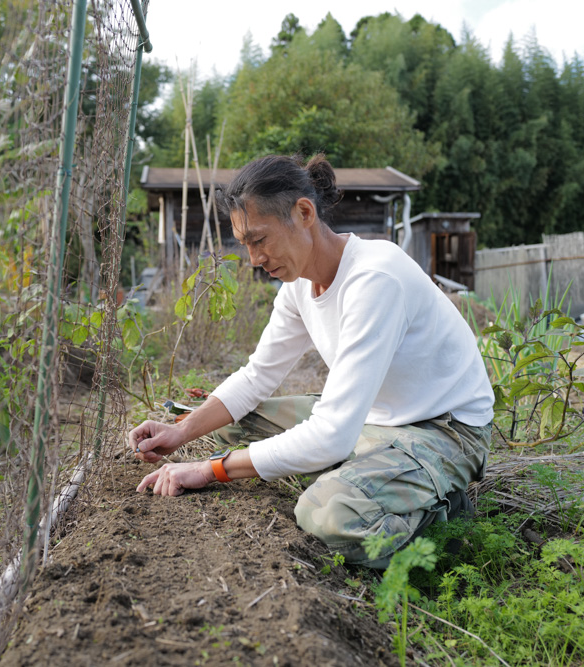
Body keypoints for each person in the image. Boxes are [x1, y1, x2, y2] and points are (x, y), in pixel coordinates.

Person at [128, 154, 494, 568]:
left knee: (324, 514)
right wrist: (181, 430)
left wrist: (211, 470)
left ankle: (443, 522)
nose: (254, 259)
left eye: (259, 239)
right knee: (237, 426)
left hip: (443, 431)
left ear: (304, 212)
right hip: (376, 420)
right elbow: (256, 376)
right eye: (245, 245)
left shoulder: (375, 279)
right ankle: (364, 473)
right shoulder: (299, 285)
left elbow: (332, 434)